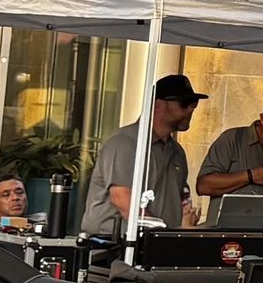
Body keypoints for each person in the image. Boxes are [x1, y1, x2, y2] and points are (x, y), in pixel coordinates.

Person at [80, 74, 205, 236]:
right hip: (114, 245)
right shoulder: (124, 143)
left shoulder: (177, 152)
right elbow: (124, 202)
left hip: (157, 245)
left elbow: (182, 199)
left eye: (194, 104)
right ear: (159, 104)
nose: (191, 109)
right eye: (185, 103)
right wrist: (159, 237)